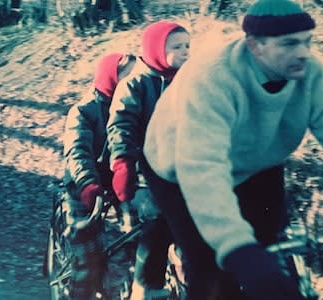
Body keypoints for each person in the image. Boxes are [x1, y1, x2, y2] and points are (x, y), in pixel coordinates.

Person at [142, 0, 323, 299]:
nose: (303, 53)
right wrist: (235, 246)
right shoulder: (214, 78)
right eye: (290, 43)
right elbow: (202, 167)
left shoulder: (312, 76)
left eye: (308, 41)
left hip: (256, 161)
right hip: (178, 166)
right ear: (255, 46)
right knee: (211, 270)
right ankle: (158, 257)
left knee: (270, 247)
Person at [106, 20, 191, 299]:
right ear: (156, 49)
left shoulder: (190, 81)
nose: (185, 52)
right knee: (158, 217)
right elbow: (121, 124)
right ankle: (145, 286)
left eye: (188, 46)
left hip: (183, 171)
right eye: (176, 47)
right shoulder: (136, 83)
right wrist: (123, 163)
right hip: (145, 175)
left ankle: (190, 275)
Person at [62, 52, 136, 299]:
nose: (134, 80)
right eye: (128, 75)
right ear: (111, 77)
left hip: (122, 183)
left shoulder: (134, 107)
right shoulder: (83, 111)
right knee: (87, 261)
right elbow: (77, 151)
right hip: (85, 186)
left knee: (141, 234)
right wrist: (87, 184)